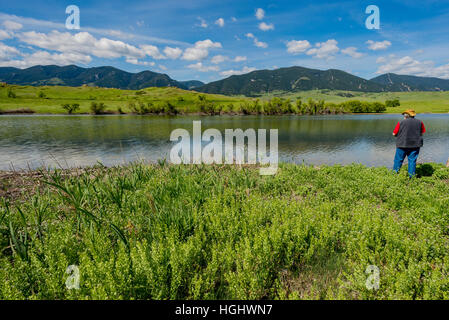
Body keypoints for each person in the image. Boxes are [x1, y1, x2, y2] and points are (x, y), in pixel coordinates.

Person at [392, 109, 426, 177]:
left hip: (402, 145)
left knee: (398, 160)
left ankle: (394, 175)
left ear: (406, 115)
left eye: (404, 114)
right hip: (415, 145)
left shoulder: (401, 122)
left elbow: (394, 133)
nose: (403, 116)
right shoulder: (420, 122)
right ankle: (411, 177)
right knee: (412, 161)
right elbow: (422, 133)